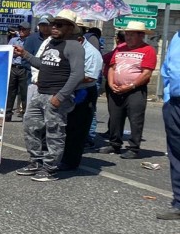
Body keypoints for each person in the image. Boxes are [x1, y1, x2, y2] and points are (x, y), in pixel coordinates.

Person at [13, 10, 84, 182]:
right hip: (40, 92)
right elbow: (43, 64)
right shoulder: (51, 43)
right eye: (53, 24)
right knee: (30, 126)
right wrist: (25, 54)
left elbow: (77, 74)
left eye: (59, 25)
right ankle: (35, 161)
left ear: (70, 28)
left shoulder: (74, 46)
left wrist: (60, 97)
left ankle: (50, 168)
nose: (54, 27)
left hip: (56, 95)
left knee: (55, 132)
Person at [100, 21, 157, 159]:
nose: (128, 37)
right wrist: (111, 82)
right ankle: (114, 144)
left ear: (141, 35)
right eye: (127, 34)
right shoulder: (120, 48)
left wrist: (131, 86)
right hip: (116, 88)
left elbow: (146, 73)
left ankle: (133, 148)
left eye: (132, 34)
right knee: (115, 117)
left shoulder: (148, 50)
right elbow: (112, 67)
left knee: (135, 119)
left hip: (135, 90)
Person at [60, 22, 103, 171]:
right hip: (68, 89)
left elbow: (91, 77)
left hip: (83, 91)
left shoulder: (92, 53)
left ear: (79, 40)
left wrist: (70, 77)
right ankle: (61, 155)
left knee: (77, 128)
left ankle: (71, 161)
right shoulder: (67, 48)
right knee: (64, 125)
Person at [158, 29, 180, 220]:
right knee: (176, 154)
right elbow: (167, 69)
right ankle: (179, 203)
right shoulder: (177, 37)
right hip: (175, 104)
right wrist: (167, 97)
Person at [6, 22, 31, 122]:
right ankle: (7, 114)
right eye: (20, 29)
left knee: (24, 92)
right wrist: (15, 53)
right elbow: (8, 51)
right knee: (11, 91)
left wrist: (19, 53)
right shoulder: (13, 40)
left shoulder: (30, 41)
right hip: (13, 67)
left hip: (24, 68)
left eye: (24, 29)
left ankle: (25, 114)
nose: (21, 31)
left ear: (29, 30)